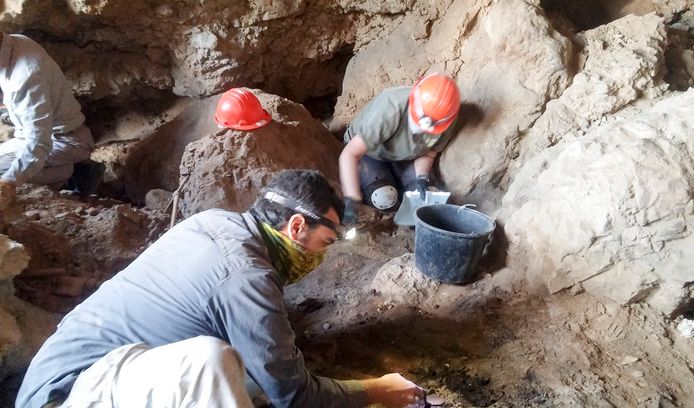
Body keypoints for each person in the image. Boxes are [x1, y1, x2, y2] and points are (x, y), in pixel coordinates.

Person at [16, 170, 424, 408]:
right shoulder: (247, 276)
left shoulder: (212, 222)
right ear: (296, 227)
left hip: (96, 374)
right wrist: (375, 390)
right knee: (213, 361)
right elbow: (292, 394)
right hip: (67, 396)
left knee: (243, 377)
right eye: (325, 243)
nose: (321, 256)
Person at [339, 72, 461, 226]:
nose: (424, 129)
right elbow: (349, 154)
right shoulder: (390, 107)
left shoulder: (446, 117)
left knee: (428, 199)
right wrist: (351, 201)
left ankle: (410, 218)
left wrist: (422, 178)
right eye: (421, 122)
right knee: (383, 197)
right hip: (369, 153)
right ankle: (392, 204)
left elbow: (429, 153)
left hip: (406, 157)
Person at [0, 32, 95, 202]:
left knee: (5, 173)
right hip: (40, 134)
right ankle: (64, 170)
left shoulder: (27, 75)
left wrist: (7, 185)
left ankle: (73, 174)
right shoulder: (13, 43)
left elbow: (38, 142)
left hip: (64, 140)